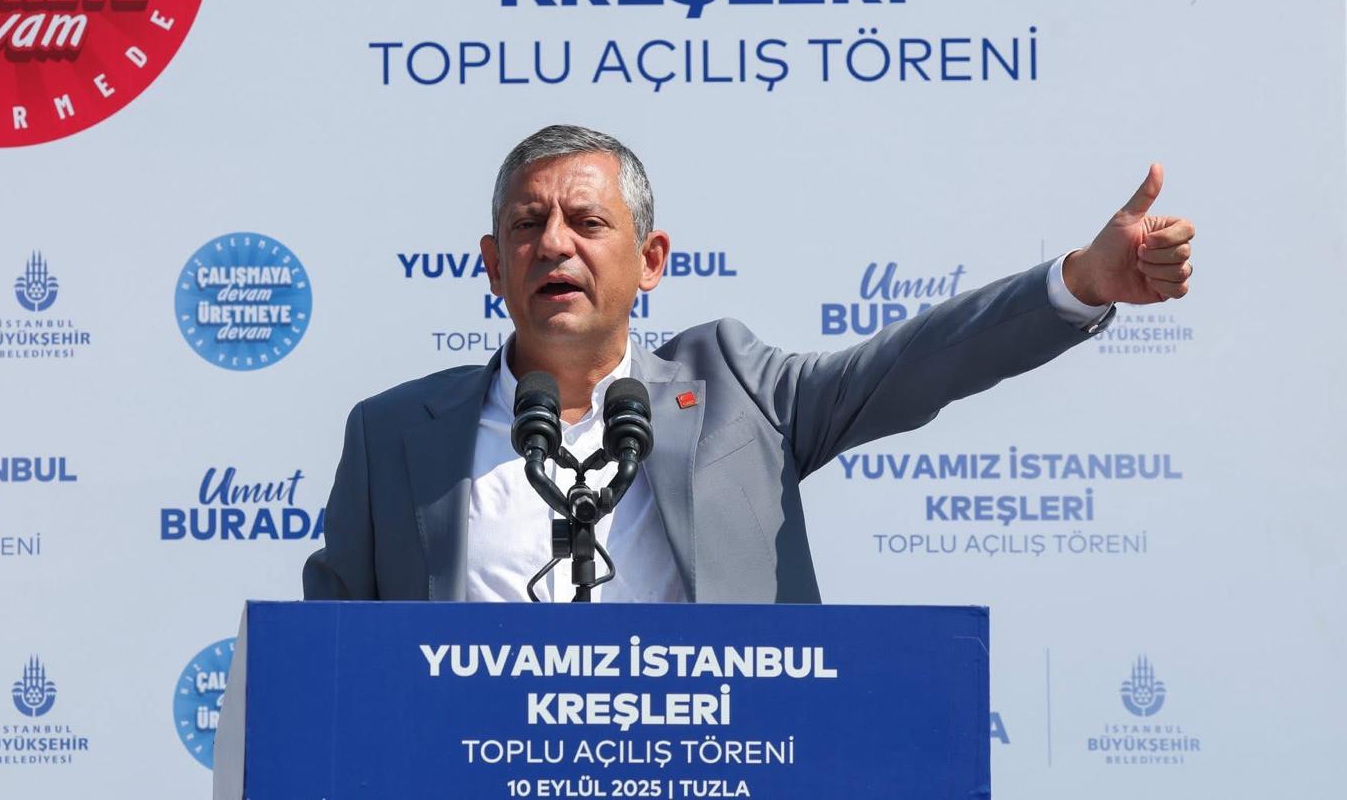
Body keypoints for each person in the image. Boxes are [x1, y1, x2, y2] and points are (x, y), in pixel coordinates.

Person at [302, 126, 1195, 603]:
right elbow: (326, 666)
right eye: (527, 226)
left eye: (588, 222)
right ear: (494, 265)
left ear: (651, 260)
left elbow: (922, 361)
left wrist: (1079, 283)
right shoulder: (393, 435)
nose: (555, 244)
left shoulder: (739, 393)